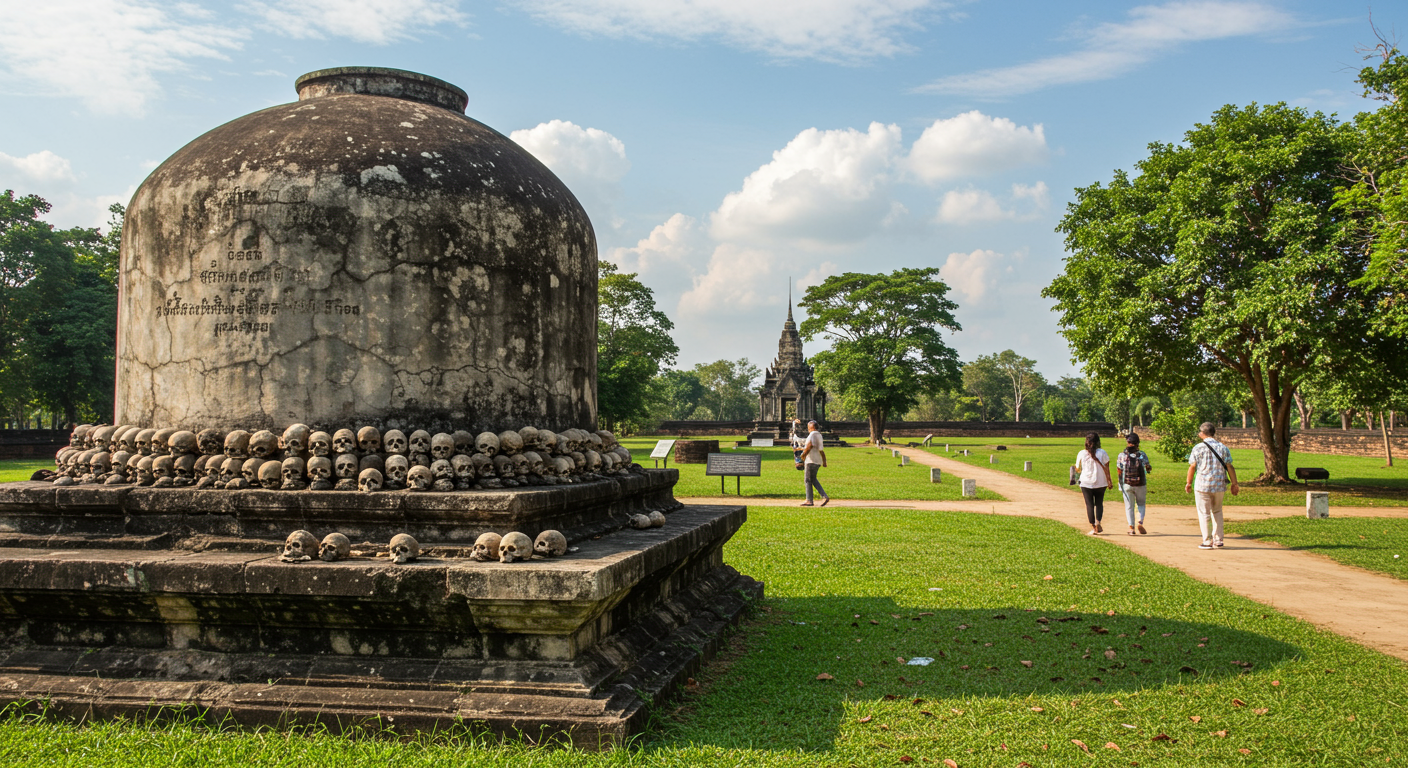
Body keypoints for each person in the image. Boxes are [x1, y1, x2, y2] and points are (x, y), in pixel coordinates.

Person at [1185, 421, 1238, 550]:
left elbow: (1192, 466)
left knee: (1204, 513)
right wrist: (1234, 483)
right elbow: (1229, 466)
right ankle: (1218, 539)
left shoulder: (1198, 448)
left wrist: (1188, 483)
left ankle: (1207, 540)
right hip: (1219, 485)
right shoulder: (1223, 447)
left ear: (1202, 433)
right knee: (1217, 510)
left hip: (1202, 485)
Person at [1073, 432, 1112, 535]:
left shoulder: (1082, 453)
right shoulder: (1102, 452)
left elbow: (1077, 469)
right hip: (1101, 481)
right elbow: (1107, 468)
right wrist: (1109, 481)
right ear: (1098, 442)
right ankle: (1098, 521)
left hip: (1086, 482)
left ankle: (1093, 527)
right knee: (1099, 503)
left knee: (1089, 505)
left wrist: (1075, 475)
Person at [1115, 433, 1153, 535]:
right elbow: (1148, 467)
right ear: (1138, 443)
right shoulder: (1142, 454)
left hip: (1127, 483)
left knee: (1129, 506)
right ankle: (1140, 522)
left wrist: (1120, 483)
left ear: (1128, 442)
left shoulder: (1122, 455)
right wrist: (1148, 469)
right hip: (1140, 483)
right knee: (1141, 503)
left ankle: (1131, 528)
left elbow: (1119, 470)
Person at [798, 420, 829, 507]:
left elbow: (810, 445)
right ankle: (824, 496)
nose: (808, 429)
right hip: (817, 461)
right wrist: (824, 461)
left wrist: (803, 455)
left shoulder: (812, 434)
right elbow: (821, 450)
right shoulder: (819, 435)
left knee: (807, 480)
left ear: (811, 427)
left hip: (810, 460)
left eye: (808, 427)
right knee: (813, 479)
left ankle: (809, 500)